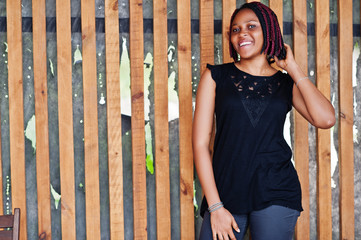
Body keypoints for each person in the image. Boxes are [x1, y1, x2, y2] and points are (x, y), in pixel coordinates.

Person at [192, 2, 335, 240]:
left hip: (276, 190)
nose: (242, 34)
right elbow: (200, 144)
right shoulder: (215, 76)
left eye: (251, 26)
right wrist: (215, 206)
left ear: (269, 32)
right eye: (236, 29)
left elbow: (327, 118)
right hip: (226, 191)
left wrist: (292, 68)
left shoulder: (286, 83)